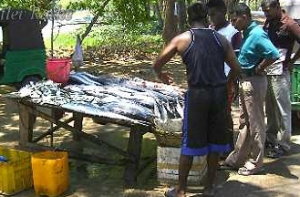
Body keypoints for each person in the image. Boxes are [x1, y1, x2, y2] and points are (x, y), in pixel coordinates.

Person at [153, 2, 240, 196]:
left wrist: (161, 75)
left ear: (188, 19)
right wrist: (227, 82)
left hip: (197, 96)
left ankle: (181, 190)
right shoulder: (220, 39)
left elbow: (157, 63)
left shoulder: (182, 39)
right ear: (207, 16)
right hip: (218, 96)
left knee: (190, 142)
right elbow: (236, 68)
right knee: (215, 143)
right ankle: (209, 188)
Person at [222, 3, 280, 175]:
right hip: (245, 81)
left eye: (234, 20)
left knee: (255, 124)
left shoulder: (257, 34)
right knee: (244, 123)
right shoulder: (247, 33)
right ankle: (237, 159)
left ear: (245, 17)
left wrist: (260, 67)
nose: (233, 24)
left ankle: (256, 162)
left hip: (253, 82)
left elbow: (273, 54)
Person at [261, 0, 300, 158]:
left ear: (277, 7)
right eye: (264, 11)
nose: (266, 14)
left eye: (268, 10)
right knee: (270, 108)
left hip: (281, 72)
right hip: (268, 70)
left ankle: (284, 144)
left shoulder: (289, 24)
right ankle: (270, 139)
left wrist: (292, 60)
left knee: (283, 110)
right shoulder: (269, 22)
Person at [207, 0, 242, 153]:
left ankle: (228, 149)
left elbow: (237, 62)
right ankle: (215, 148)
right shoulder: (209, 30)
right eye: (209, 15)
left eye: (214, 14)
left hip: (225, 81)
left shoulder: (233, 33)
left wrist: (232, 82)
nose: (211, 18)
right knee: (213, 115)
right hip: (209, 79)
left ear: (223, 11)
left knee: (225, 115)